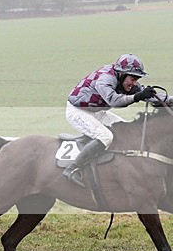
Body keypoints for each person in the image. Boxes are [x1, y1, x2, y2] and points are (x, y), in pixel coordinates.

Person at [62, 53, 156, 187]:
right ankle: (72, 169)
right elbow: (115, 101)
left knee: (126, 130)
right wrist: (137, 96)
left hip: (97, 112)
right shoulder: (105, 79)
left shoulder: (123, 80)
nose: (135, 83)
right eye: (133, 78)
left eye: (137, 79)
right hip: (77, 111)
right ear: (122, 74)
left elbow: (154, 98)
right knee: (105, 136)